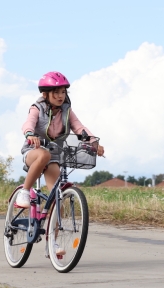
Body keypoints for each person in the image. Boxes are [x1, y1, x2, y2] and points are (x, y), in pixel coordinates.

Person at [16, 71, 105, 254]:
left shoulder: (66, 110)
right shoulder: (37, 108)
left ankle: (53, 243)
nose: (60, 96)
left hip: (54, 154)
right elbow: (28, 124)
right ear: (45, 94)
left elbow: (79, 128)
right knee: (43, 156)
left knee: (58, 198)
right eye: (56, 92)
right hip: (34, 150)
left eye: (63, 92)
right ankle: (24, 192)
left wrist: (94, 143)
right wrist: (31, 135)